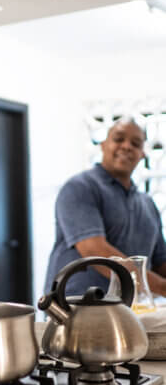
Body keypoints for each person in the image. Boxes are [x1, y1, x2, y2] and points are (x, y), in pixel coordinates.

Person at [44, 116, 166, 297]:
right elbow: (95, 251)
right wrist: (162, 287)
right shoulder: (80, 187)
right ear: (103, 145)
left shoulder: (147, 204)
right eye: (118, 139)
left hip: (130, 310)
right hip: (76, 308)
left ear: (142, 154)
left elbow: (160, 263)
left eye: (135, 143)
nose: (126, 146)